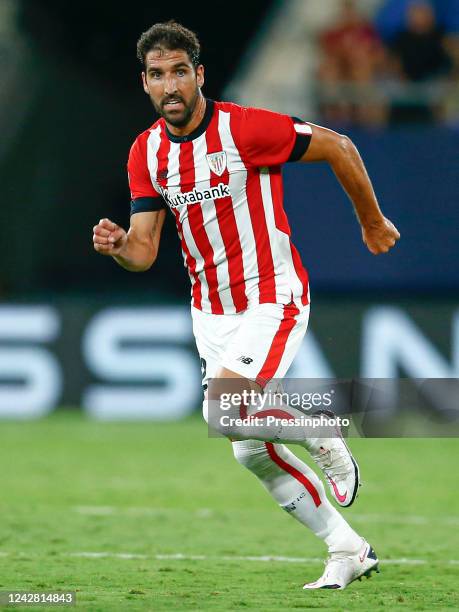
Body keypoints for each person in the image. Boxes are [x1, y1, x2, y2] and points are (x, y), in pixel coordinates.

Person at [92, 21, 400, 590]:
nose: (171, 86)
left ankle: (321, 430)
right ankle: (347, 548)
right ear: (145, 83)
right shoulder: (148, 152)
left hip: (270, 295)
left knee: (221, 414)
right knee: (248, 452)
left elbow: (339, 144)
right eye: (158, 75)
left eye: (180, 71)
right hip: (210, 313)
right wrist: (117, 249)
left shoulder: (244, 129)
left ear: (199, 74)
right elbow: (143, 251)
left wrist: (372, 221)